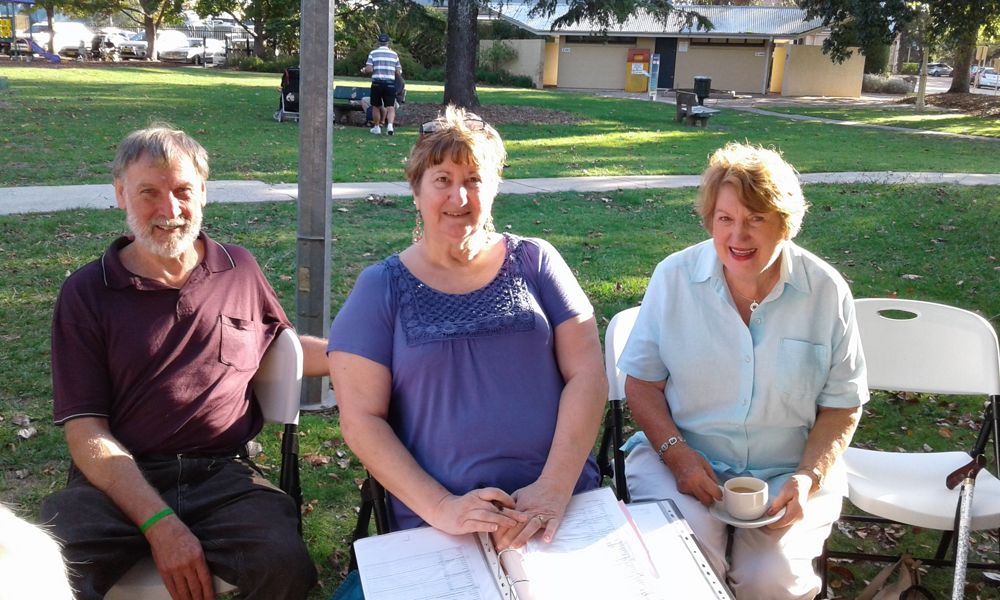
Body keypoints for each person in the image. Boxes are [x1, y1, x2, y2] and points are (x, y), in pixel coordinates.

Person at [41, 124, 328, 600]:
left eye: (182, 191)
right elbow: (85, 432)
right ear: (120, 195)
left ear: (203, 194)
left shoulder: (239, 270)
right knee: (43, 568)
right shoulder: (87, 293)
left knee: (284, 565)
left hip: (223, 477)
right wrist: (160, 523)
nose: (169, 210)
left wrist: (368, 358)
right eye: (148, 193)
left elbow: (284, 350)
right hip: (118, 481)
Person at [327, 106, 606, 549]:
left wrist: (553, 487)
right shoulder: (380, 288)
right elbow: (361, 420)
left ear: (494, 188)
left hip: (559, 503)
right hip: (441, 521)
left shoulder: (537, 262)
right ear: (416, 191)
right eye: (442, 180)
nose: (459, 198)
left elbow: (587, 375)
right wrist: (441, 506)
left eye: (474, 180)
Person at [619, 142, 868, 599]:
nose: (739, 236)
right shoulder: (674, 279)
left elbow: (842, 404)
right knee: (689, 565)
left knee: (769, 580)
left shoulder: (826, 291)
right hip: (683, 458)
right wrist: (677, 455)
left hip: (785, 472)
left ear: (785, 224)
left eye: (756, 219)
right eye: (726, 219)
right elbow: (642, 384)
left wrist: (809, 474)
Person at [360, 33, 401, 136]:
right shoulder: (394, 54)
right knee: (390, 106)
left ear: (378, 42)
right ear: (388, 42)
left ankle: (377, 127)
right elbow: (398, 72)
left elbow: (369, 69)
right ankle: (390, 126)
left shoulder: (373, 53)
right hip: (390, 83)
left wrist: (364, 70)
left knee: (376, 106)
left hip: (377, 83)